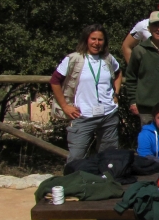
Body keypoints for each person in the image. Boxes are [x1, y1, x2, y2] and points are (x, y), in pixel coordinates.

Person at [50, 24, 123, 162]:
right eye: (93, 39)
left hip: (108, 114)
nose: (96, 43)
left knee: (109, 157)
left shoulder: (108, 58)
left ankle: (104, 182)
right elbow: (55, 81)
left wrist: (116, 94)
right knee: (76, 157)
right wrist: (65, 106)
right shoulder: (74, 59)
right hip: (82, 115)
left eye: (100, 40)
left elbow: (118, 73)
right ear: (86, 40)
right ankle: (73, 182)